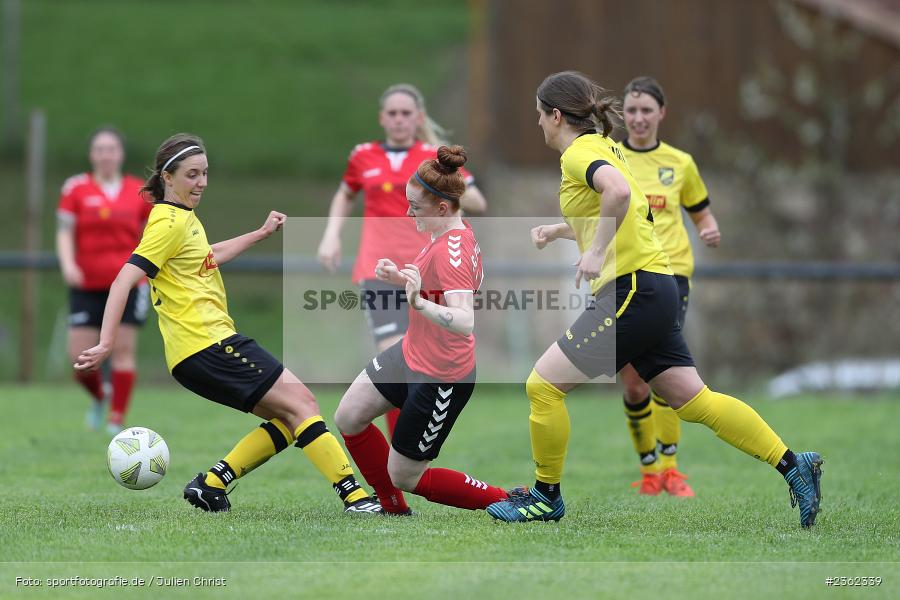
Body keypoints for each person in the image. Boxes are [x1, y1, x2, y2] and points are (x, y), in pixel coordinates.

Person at [485, 71, 823, 528]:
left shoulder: (579, 152)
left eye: (539, 116)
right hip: (656, 285)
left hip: (632, 288)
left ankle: (546, 498)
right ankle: (793, 464)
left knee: (541, 387)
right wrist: (564, 230)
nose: (539, 125)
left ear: (556, 115)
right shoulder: (609, 149)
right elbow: (629, 207)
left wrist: (597, 251)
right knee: (694, 401)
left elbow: (620, 195)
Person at [74, 133, 381, 514]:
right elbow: (124, 278)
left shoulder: (182, 217)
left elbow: (209, 256)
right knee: (303, 403)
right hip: (208, 343)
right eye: (192, 174)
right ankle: (356, 498)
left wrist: (260, 233)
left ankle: (211, 484)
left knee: (289, 418)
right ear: (167, 177)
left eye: (204, 173)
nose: (201, 181)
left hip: (197, 351)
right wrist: (106, 343)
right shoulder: (168, 222)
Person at [333, 145, 511, 515]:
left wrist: (417, 303)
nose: (407, 212)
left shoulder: (452, 253)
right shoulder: (448, 232)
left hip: (442, 374)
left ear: (442, 208)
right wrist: (401, 278)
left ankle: (508, 500)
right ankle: (391, 509)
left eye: (415, 206)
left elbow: (464, 321)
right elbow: (436, 288)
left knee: (406, 475)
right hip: (411, 353)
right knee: (349, 416)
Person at [317, 84, 487, 438]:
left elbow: (478, 203)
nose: (398, 119)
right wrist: (331, 235)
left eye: (406, 113)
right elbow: (345, 194)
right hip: (379, 271)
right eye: (392, 113)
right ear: (382, 118)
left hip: (426, 273)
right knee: (393, 358)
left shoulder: (432, 161)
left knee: (416, 359)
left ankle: (407, 450)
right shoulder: (363, 155)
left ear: (418, 118)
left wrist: (450, 190)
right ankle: (401, 451)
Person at [617, 76, 722, 497]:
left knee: (663, 371)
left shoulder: (680, 162)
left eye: (646, 110)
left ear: (662, 113)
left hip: (670, 277)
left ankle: (672, 469)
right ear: (622, 115)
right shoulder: (610, 159)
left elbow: (702, 213)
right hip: (623, 274)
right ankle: (648, 469)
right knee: (632, 380)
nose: (639, 118)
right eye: (631, 110)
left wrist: (710, 228)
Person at [56, 127, 150, 433]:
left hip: (128, 284)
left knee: (122, 351)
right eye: (99, 149)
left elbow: (153, 235)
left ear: (121, 154)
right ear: (91, 154)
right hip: (87, 284)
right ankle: (100, 396)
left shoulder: (138, 191)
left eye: (111, 149)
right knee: (80, 359)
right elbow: (64, 232)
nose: (105, 155)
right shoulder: (76, 189)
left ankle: (116, 419)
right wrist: (68, 264)